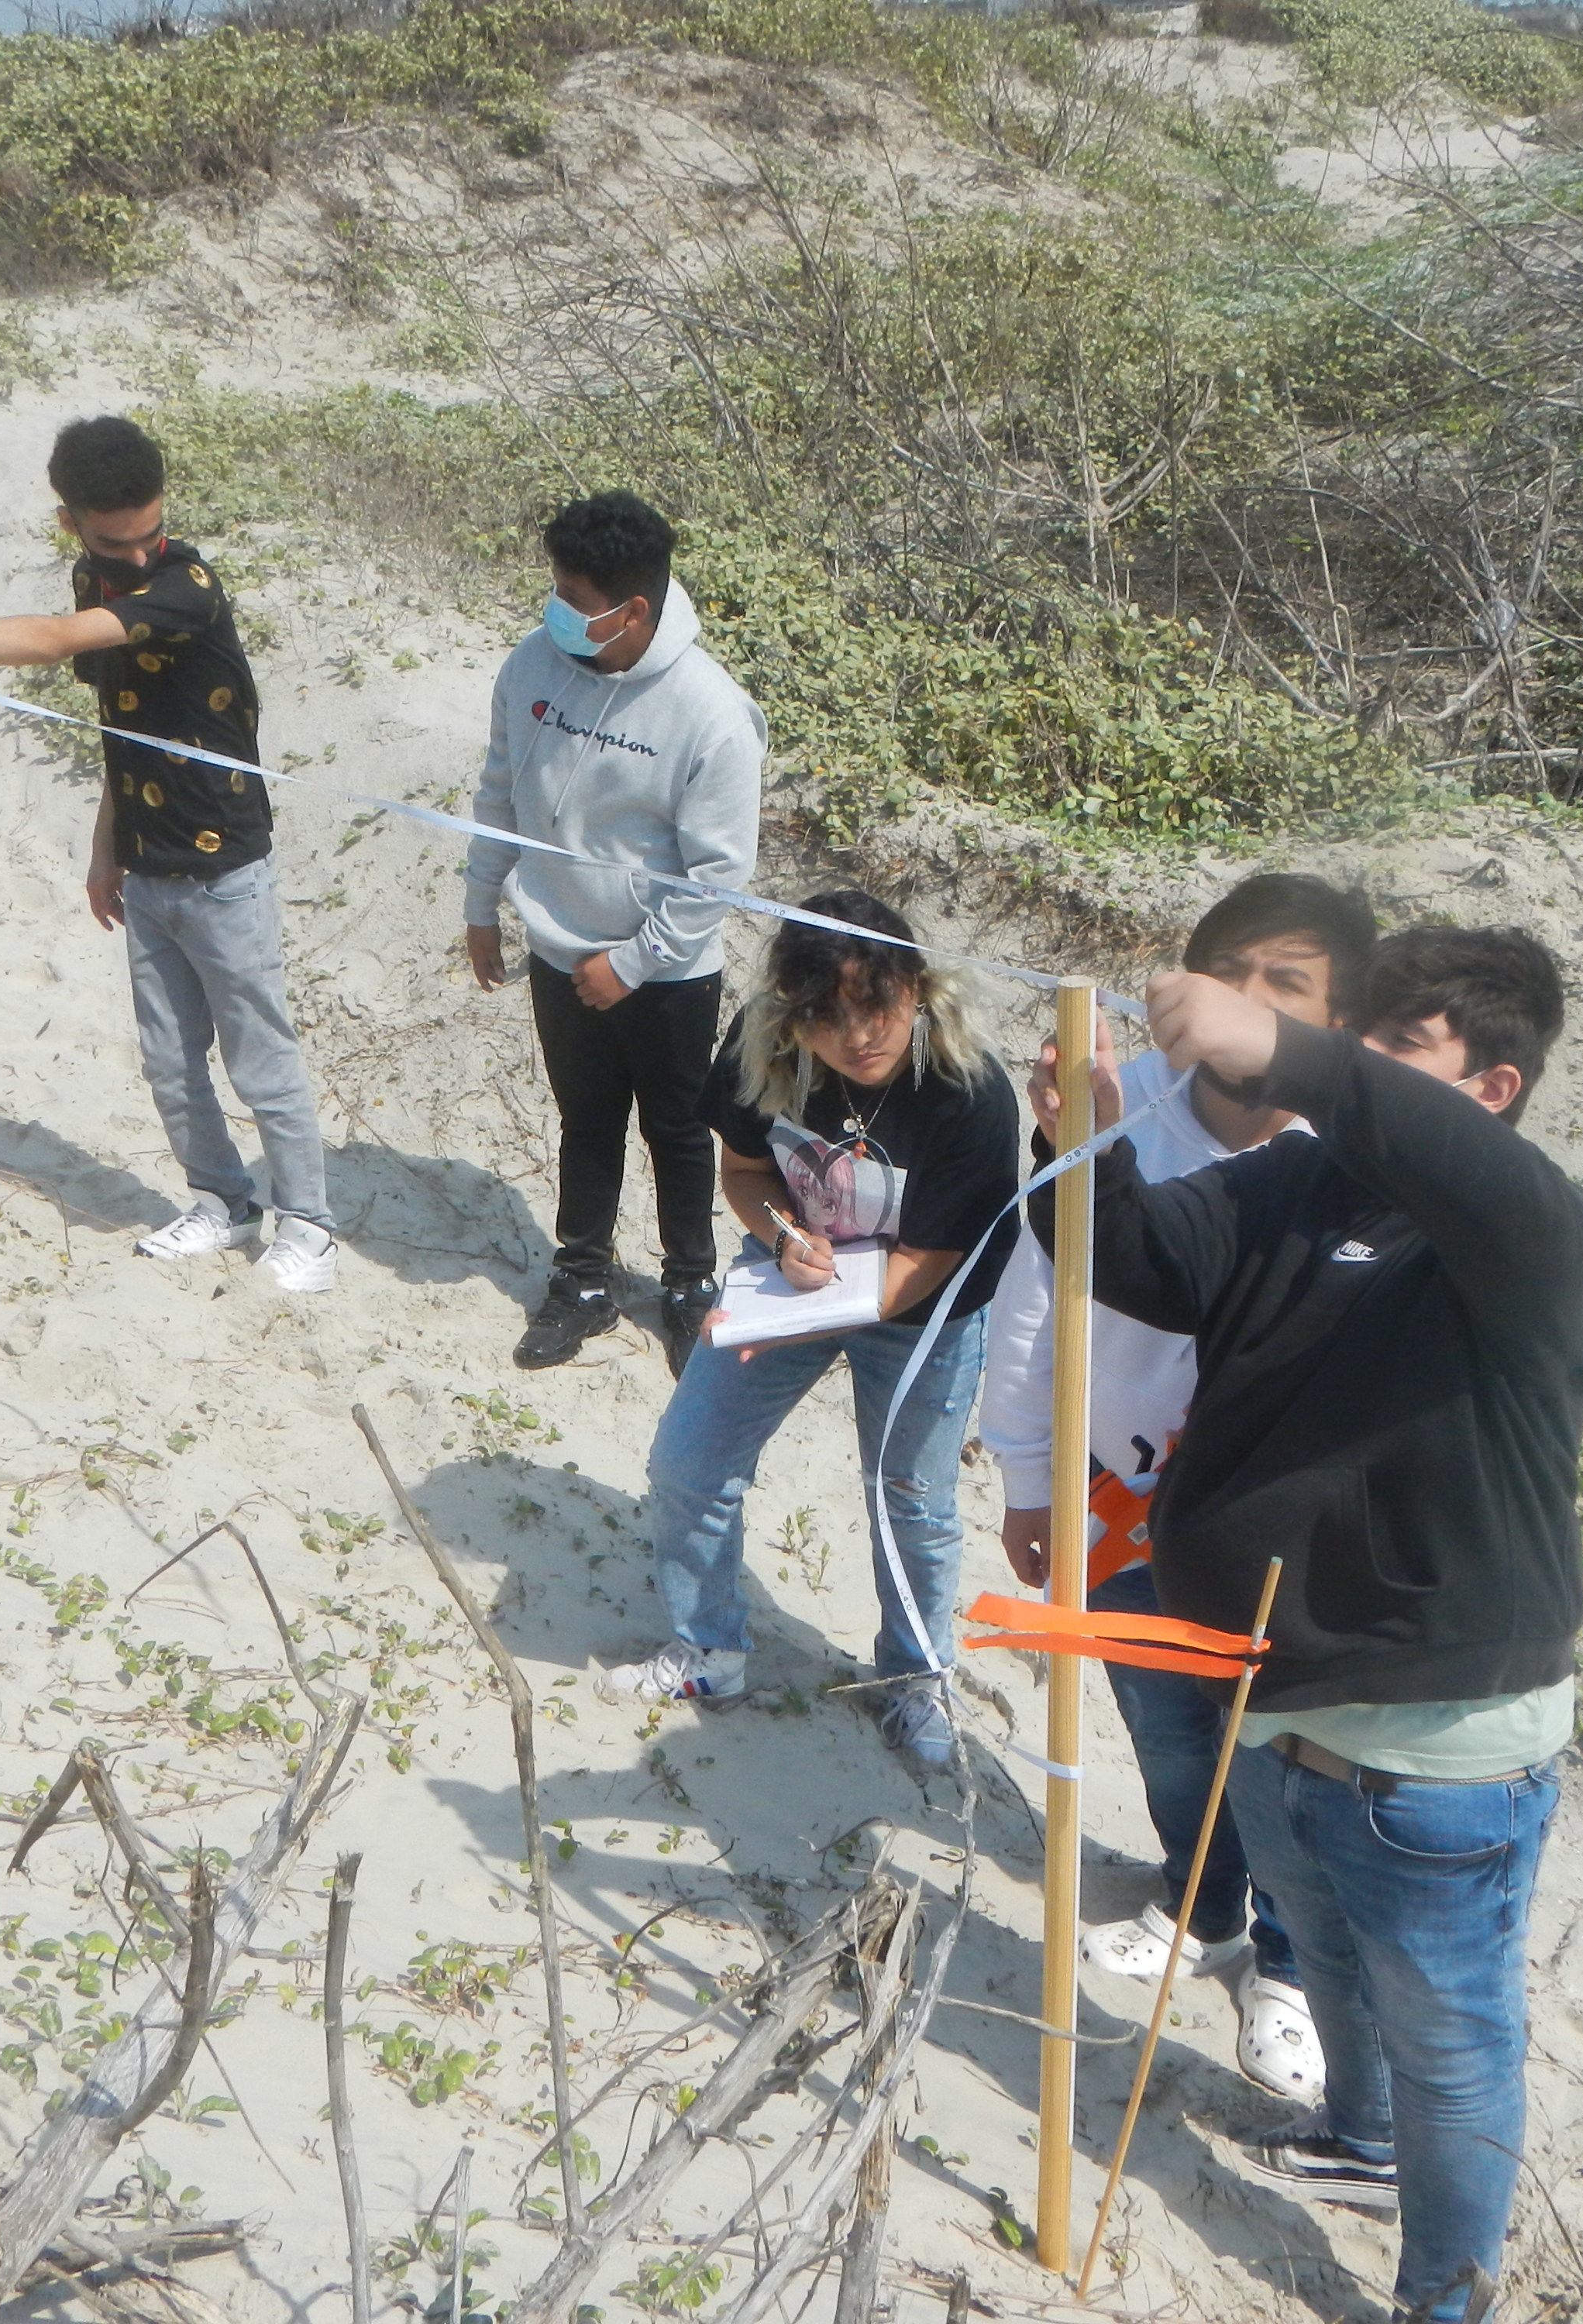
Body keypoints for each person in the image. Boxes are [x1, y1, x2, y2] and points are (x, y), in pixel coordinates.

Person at [1027, 924, 1583, 2324]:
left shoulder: (1536, 1233)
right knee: (1329, 1958)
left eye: (1400, 1043)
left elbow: (1395, 1123)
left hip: (1441, 1746)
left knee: (1450, 2039)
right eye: (1363, 1030)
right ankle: (1358, 2141)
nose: (1357, 1057)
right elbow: (1140, 1262)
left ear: (1493, 1089)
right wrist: (1083, 1147)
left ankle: (1444, 2301)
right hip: (1272, 1698)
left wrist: (1285, 1048)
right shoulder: (1301, 1181)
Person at [979, 873, 1375, 2106]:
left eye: (1286, 987)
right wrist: (1032, 1477)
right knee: (1164, 1724)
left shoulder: (1358, 1155)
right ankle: (1202, 1908)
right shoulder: (1116, 1109)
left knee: (1283, 1752)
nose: (1247, 1005)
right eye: (1230, 974)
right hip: (1120, 1493)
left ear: (1339, 1027)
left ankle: (1291, 1967)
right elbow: (1033, 1300)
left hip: (1280, 1526)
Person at [0, 415, 336, 1294]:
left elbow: (55, 640)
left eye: (149, 533)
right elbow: (119, 727)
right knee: (169, 1060)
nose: (136, 555)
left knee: (260, 1058)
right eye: (113, 542)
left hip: (223, 869)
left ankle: (310, 1227)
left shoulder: (186, 587)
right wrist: (108, 849)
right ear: (70, 522)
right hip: (148, 864)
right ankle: (222, 1200)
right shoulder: (89, 576)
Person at [597, 892, 1019, 1774]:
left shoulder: (967, 1089)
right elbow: (747, 1171)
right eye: (827, 1018)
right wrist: (784, 1238)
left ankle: (914, 1676)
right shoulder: (765, 1047)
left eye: (878, 1005)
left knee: (911, 1500)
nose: (858, 1036)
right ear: (793, 1017)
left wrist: (802, 1315)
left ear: (916, 987)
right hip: (792, 1280)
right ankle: (708, 1648)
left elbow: (934, 1254)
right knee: (688, 1457)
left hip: (924, 1312)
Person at [463, 490, 766, 1377]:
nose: (557, 609)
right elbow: (499, 788)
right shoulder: (532, 664)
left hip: (666, 974)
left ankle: (688, 1285)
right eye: (555, 588)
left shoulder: (711, 714)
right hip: (557, 949)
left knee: (676, 1130)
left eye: (574, 597)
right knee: (585, 1122)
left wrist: (632, 964)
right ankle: (582, 1281)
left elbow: (716, 872)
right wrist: (482, 902)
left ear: (632, 610)